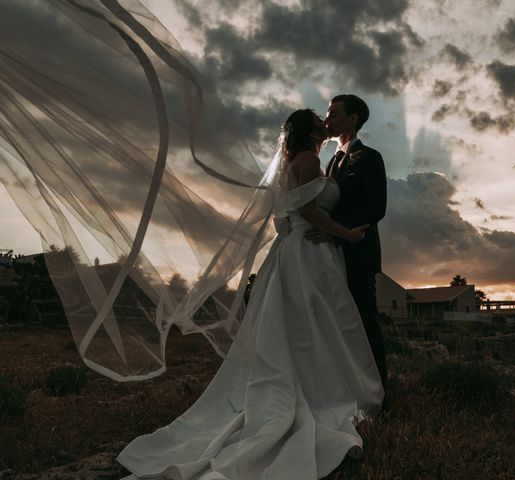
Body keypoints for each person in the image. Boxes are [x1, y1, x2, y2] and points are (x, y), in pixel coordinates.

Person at [116, 109, 384, 479]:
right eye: (321, 118)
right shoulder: (307, 159)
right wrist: (346, 234)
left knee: (307, 321)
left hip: (305, 251)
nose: (326, 120)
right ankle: (322, 388)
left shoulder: (309, 159)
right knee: (313, 320)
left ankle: (319, 380)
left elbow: (296, 209)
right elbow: (306, 208)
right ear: (310, 132)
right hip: (308, 253)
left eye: (332, 115)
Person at [306, 94, 388, 400]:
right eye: (328, 114)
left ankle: (381, 394)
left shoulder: (369, 157)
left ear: (353, 118)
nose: (329, 119)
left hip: (358, 252)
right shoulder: (330, 161)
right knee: (339, 325)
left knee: (365, 323)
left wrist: (338, 234)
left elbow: (376, 207)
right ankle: (348, 389)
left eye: (335, 113)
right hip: (330, 255)